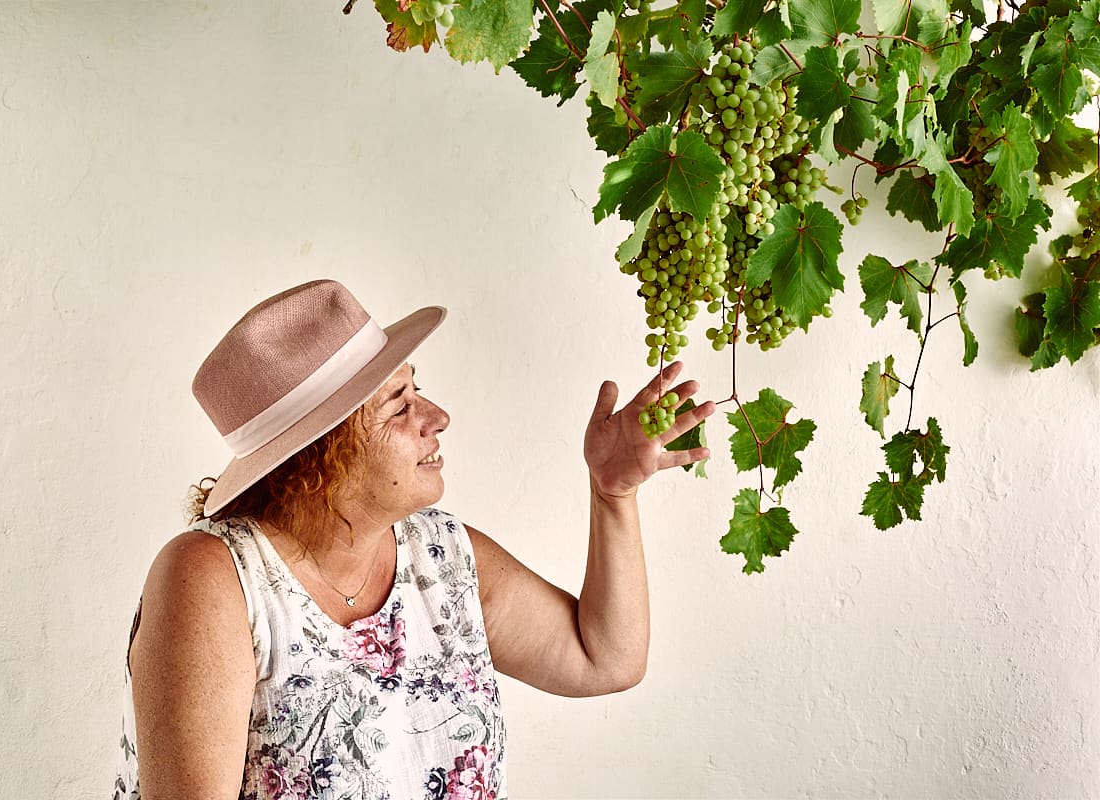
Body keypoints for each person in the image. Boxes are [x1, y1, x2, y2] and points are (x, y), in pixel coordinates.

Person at [114, 279, 715, 800]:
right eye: (399, 405)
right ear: (322, 450)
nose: (438, 416)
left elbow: (604, 659)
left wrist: (613, 494)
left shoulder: (441, 559)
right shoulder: (213, 579)